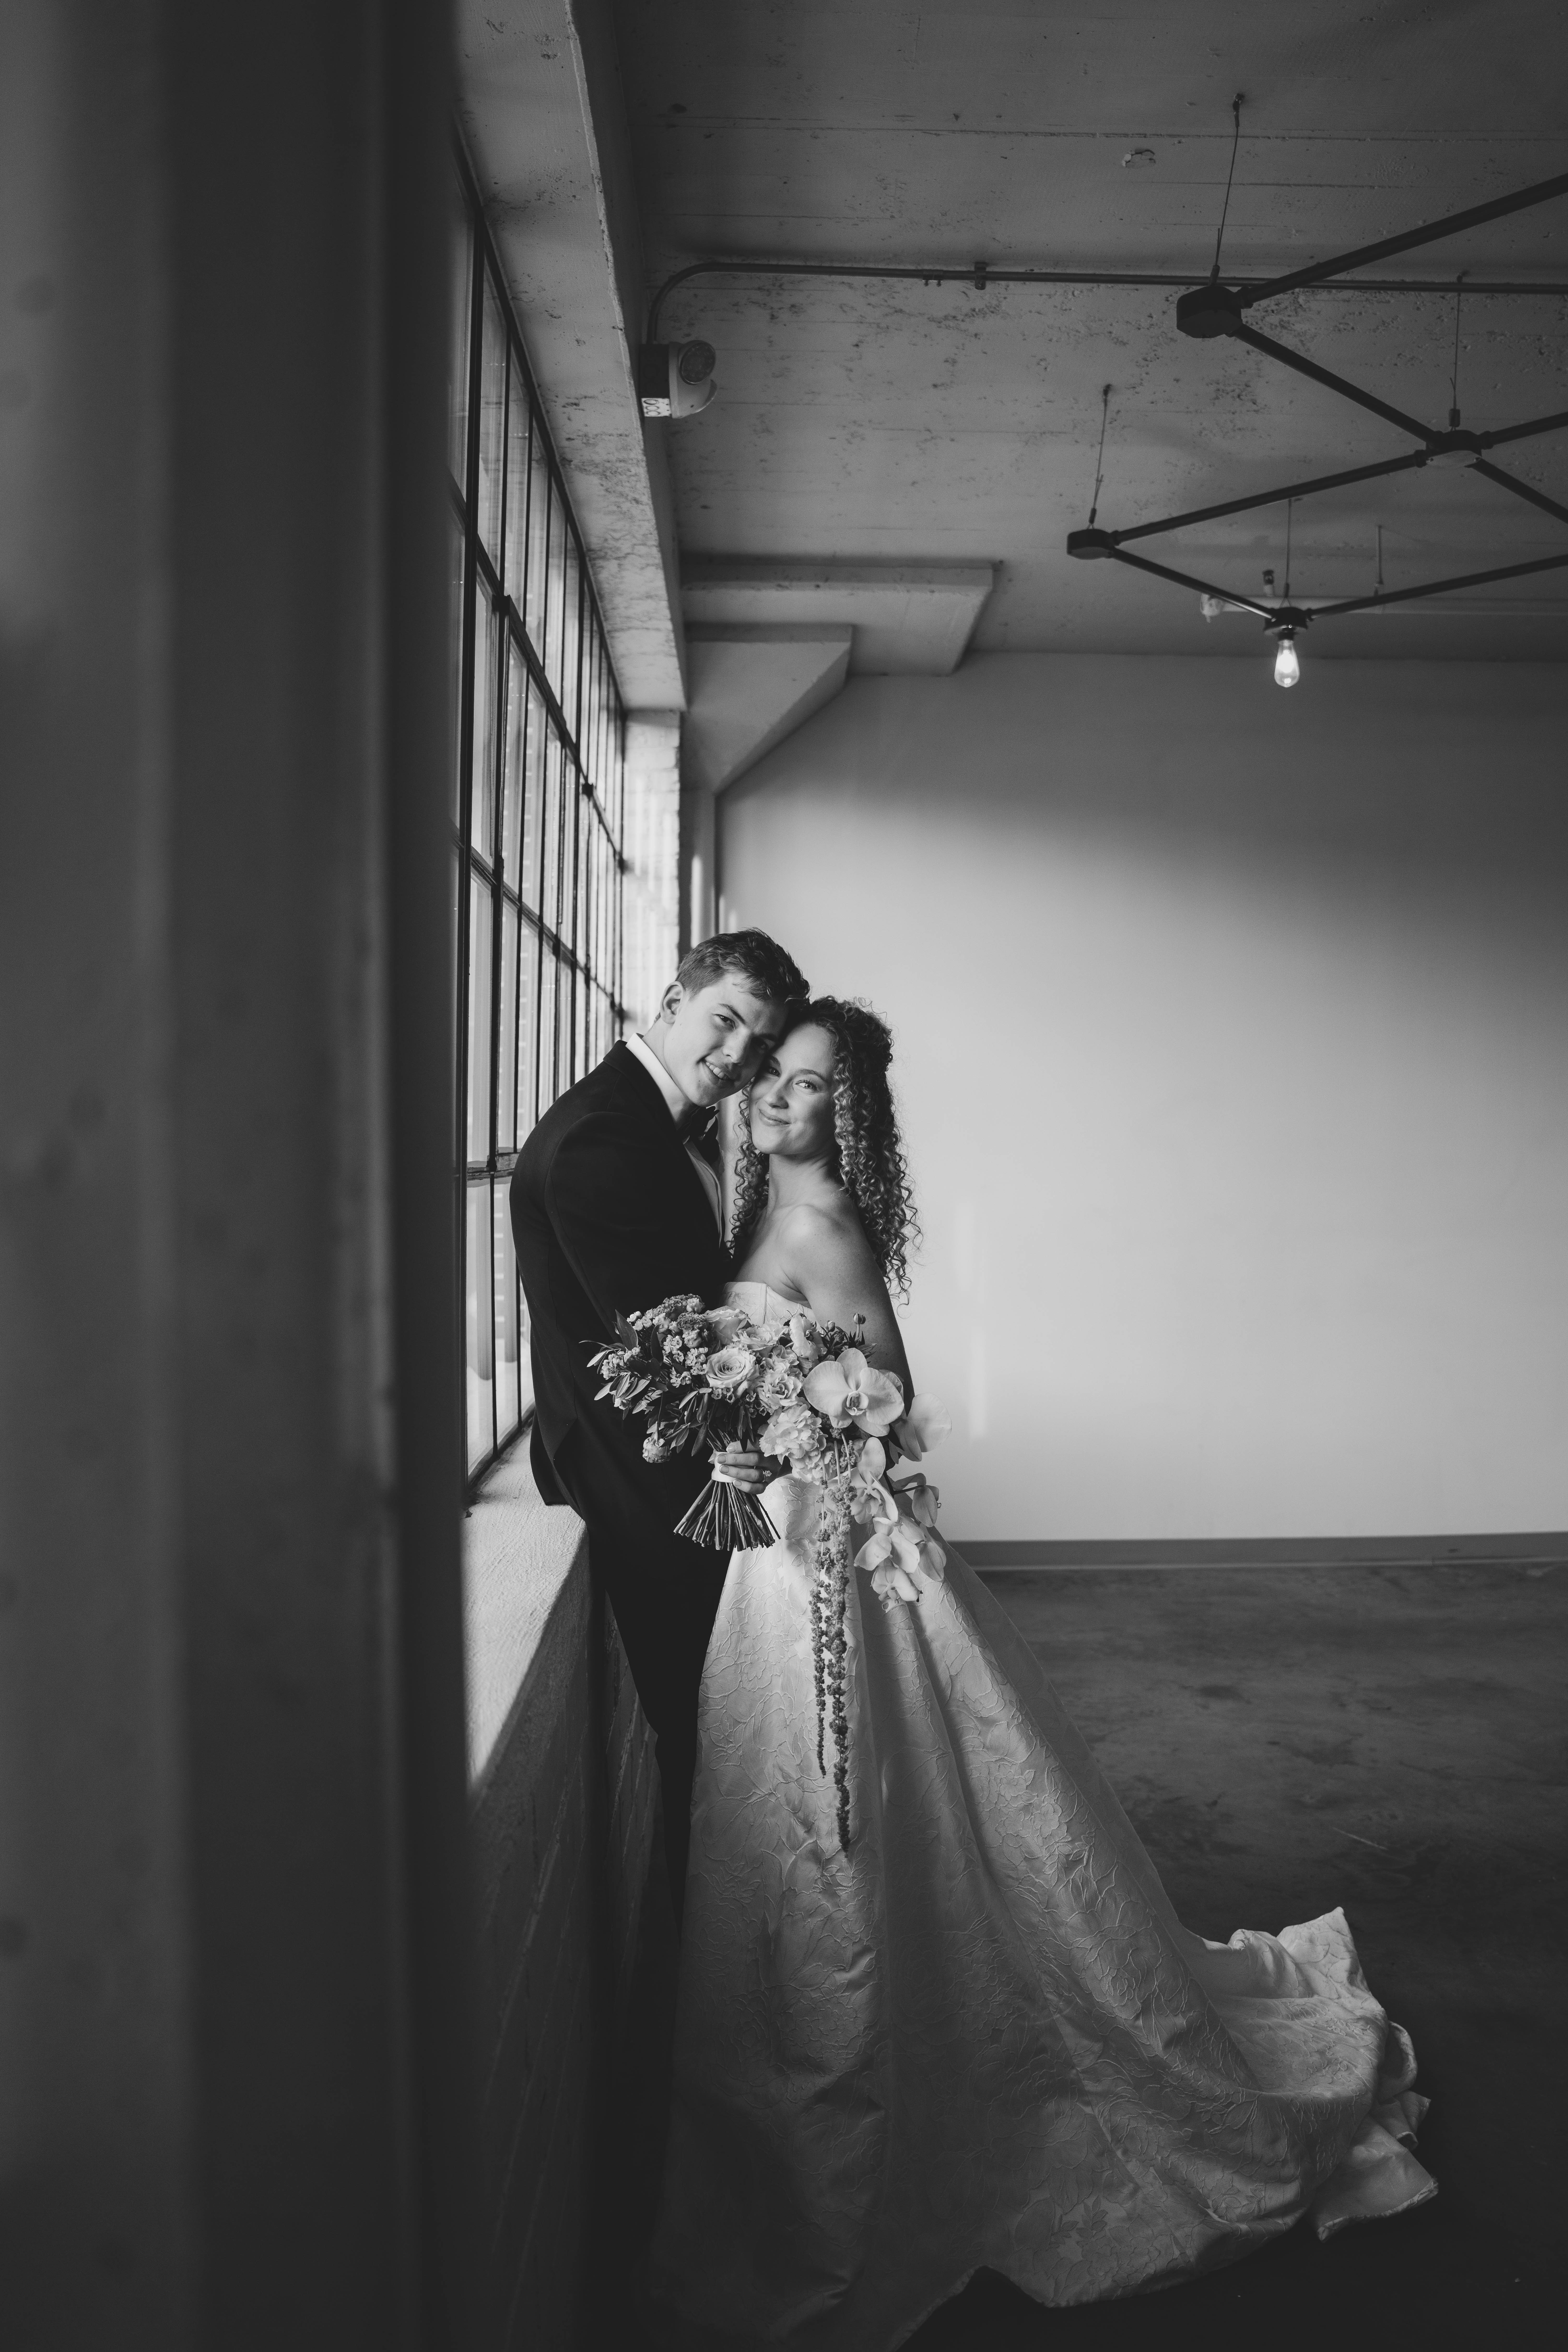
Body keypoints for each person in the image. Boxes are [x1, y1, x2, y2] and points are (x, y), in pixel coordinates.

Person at [647, 997, 1436, 2343]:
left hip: (831, 1564)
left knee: (857, 1831)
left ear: (853, 1112)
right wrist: (741, 1436)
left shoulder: (817, 1223)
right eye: (774, 1074)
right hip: (780, 1556)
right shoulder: (746, 1205)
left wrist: (796, 1439)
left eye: (814, 1086)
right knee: (830, 1834)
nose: (783, 1098)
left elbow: (882, 1402)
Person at [509, 931, 808, 1915]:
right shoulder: (606, 1137)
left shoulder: (654, 1122)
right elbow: (664, 1350)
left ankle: (737, 1941)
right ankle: (718, 1953)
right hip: (653, 1488)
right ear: (674, 998)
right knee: (712, 1729)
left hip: (679, 1467)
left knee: (733, 1724)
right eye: (726, 1022)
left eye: (760, 1048)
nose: (737, 1058)